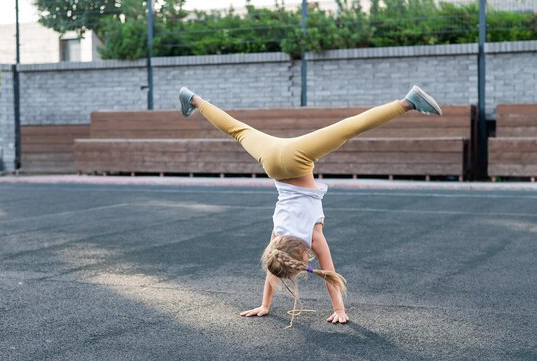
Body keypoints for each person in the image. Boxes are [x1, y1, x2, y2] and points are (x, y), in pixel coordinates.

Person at [178, 85, 442, 327]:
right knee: (237, 129)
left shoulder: (313, 238)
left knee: (349, 129)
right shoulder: (277, 238)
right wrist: (265, 304)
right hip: (271, 160)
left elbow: (329, 274)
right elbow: (273, 266)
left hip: (297, 158)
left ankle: (408, 103)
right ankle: (194, 99)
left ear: (303, 255)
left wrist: (339, 309)